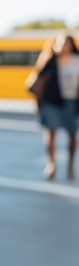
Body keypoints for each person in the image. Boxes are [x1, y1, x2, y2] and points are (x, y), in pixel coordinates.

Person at [34, 34, 79, 180]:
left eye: (67, 44)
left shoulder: (77, 61)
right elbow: (39, 78)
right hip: (52, 101)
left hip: (72, 102)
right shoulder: (50, 60)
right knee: (50, 132)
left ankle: (71, 164)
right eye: (60, 44)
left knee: (72, 133)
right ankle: (51, 163)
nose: (64, 47)